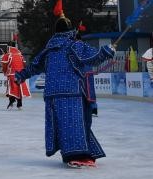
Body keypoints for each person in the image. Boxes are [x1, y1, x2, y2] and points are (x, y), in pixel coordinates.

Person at [15, 16, 116, 168]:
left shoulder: (49, 49)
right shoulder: (75, 45)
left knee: (65, 124)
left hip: (52, 93)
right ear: (70, 30)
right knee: (75, 123)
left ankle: (79, 152)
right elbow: (94, 58)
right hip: (71, 90)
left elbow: (34, 66)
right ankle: (76, 154)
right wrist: (108, 51)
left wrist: (21, 75)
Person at [0, 40, 30, 109]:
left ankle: (11, 101)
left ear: (8, 47)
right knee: (19, 89)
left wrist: (5, 71)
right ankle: (19, 104)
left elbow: (4, 65)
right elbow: (24, 64)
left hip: (12, 74)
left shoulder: (8, 55)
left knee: (12, 88)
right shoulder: (20, 55)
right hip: (20, 74)